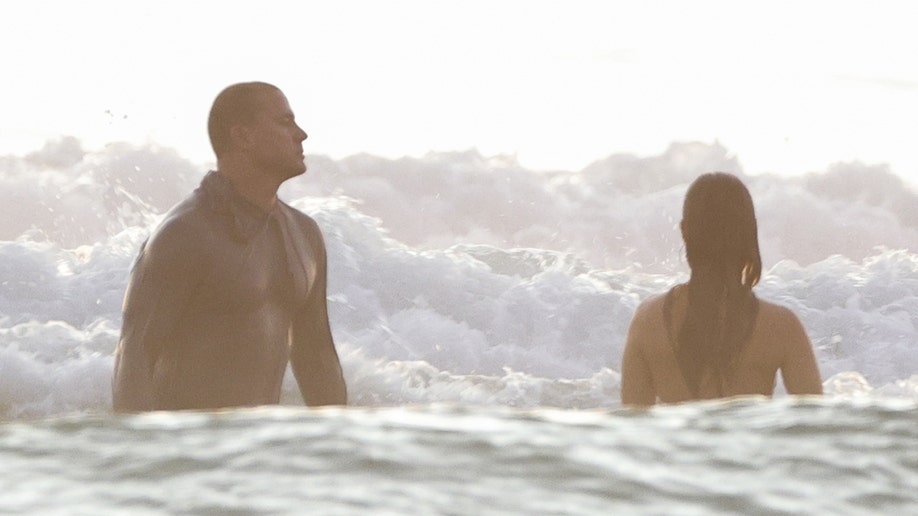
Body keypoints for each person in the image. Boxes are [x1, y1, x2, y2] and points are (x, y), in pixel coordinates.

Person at [112, 82, 347, 412]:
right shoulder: (185, 233)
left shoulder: (304, 234)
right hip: (191, 452)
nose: (301, 134)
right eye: (285, 122)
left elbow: (317, 357)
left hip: (258, 452)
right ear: (244, 137)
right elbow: (134, 354)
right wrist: (145, 458)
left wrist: (342, 450)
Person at [621, 172, 822, 406]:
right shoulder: (781, 327)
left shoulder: (648, 320)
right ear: (749, 234)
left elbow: (632, 426)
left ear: (685, 231)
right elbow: (817, 430)